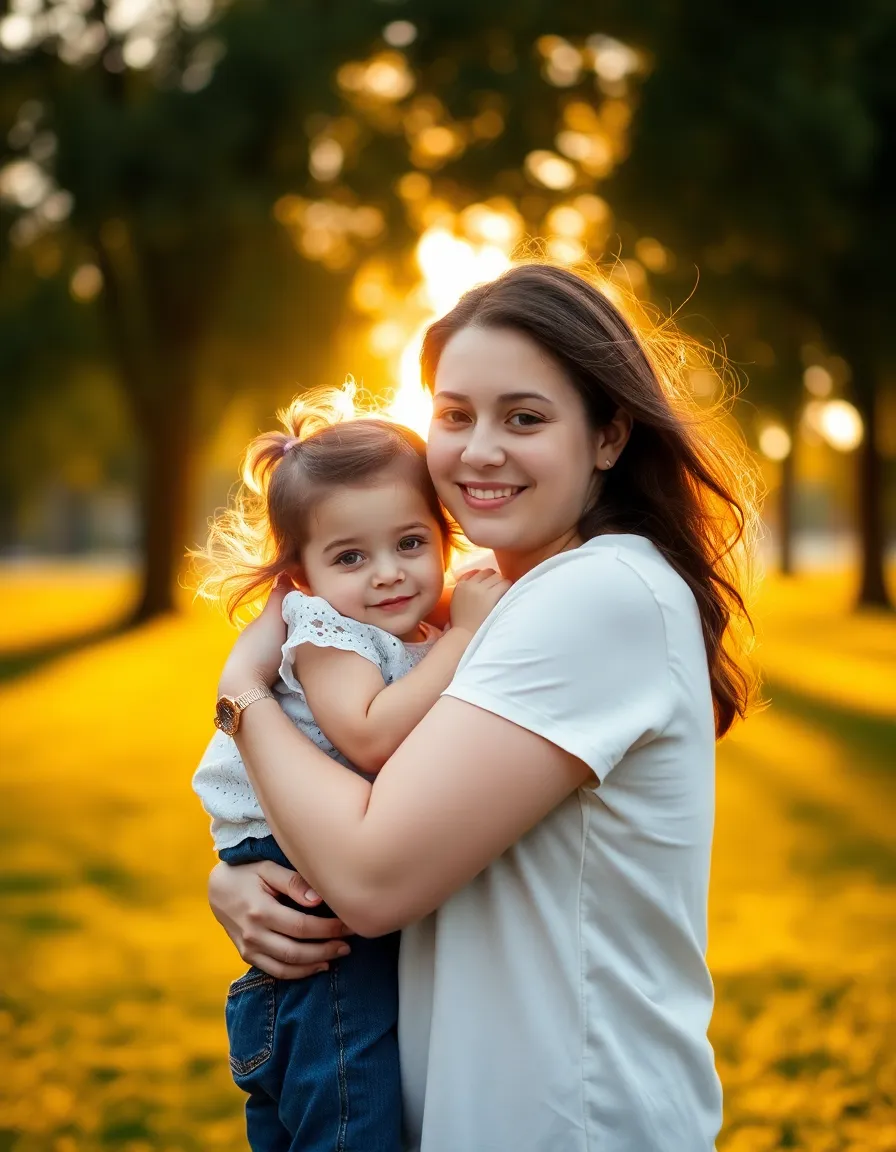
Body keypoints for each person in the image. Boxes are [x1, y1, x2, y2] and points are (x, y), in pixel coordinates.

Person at [207, 263, 760, 1151]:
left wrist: (242, 698)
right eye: (455, 415)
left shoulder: (598, 595)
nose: (478, 450)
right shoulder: (491, 599)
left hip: (571, 1119)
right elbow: (385, 832)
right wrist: (245, 878)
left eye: (525, 418)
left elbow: (371, 875)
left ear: (610, 436)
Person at [192, 395, 508, 1152]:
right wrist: (465, 637)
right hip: (307, 912)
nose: (389, 575)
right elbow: (368, 738)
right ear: (300, 574)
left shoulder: (407, 629)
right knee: (351, 1125)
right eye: (350, 557)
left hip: (324, 886)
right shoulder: (327, 633)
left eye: (409, 542)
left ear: (443, 537)